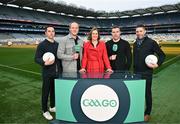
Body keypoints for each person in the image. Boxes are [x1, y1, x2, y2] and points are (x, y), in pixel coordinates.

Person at [133, 24, 165, 122]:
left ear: (145, 31)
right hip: (136, 72)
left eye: (140, 31)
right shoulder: (135, 43)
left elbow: (162, 55)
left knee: (147, 93)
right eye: (137, 31)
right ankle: (136, 111)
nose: (139, 33)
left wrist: (158, 64)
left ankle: (147, 113)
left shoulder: (151, 42)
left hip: (147, 72)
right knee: (137, 93)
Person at [35, 26, 62, 120]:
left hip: (56, 72)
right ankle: (45, 110)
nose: (51, 33)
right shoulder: (42, 45)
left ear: (54, 33)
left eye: (53, 31)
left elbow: (58, 59)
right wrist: (44, 62)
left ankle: (52, 107)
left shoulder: (57, 44)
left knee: (54, 91)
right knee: (45, 92)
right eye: (49, 31)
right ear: (45, 33)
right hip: (47, 73)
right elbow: (36, 58)